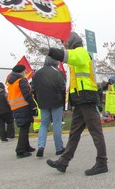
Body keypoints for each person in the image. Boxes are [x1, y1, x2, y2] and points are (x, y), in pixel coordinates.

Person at [39, 31, 108, 176]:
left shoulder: (81, 52)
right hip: (80, 99)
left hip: (86, 98)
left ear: (71, 41)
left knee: (95, 131)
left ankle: (102, 163)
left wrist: (51, 52)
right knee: (74, 133)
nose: (63, 44)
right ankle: (63, 162)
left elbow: (69, 57)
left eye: (64, 41)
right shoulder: (75, 54)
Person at [32, 56, 66, 158]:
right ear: (55, 61)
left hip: (43, 102)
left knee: (43, 124)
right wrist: (64, 101)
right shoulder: (58, 72)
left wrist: (39, 101)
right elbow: (63, 87)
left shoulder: (36, 74)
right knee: (56, 124)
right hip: (56, 101)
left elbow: (33, 89)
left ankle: (41, 146)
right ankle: (59, 148)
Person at [7, 65, 37, 158]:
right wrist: (34, 106)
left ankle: (26, 147)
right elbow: (27, 95)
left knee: (25, 127)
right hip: (23, 106)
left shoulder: (12, 82)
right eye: (25, 71)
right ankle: (20, 150)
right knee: (24, 128)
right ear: (22, 71)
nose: (25, 72)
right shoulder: (21, 81)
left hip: (16, 107)